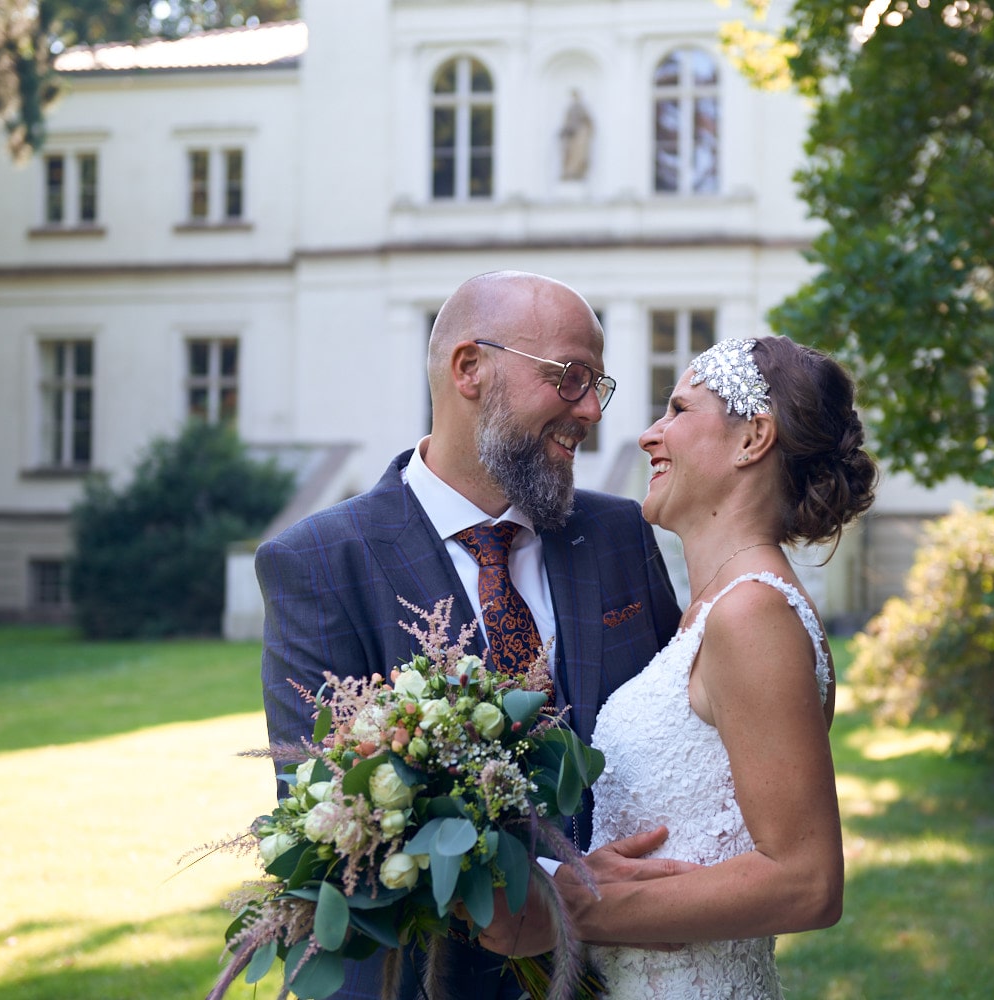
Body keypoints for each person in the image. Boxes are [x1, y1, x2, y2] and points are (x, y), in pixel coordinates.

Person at [255, 270, 684, 1000]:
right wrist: (561, 892)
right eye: (572, 378)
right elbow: (337, 814)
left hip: (634, 969)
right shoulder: (321, 562)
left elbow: (685, 728)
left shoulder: (619, 534)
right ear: (470, 369)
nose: (590, 411)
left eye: (597, 386)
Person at [480, 335, 879, 998]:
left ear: (754, 438)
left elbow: (807, 881)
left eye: (677, 410)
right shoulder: (711, 613)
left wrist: (572, 911)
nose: (647, 435)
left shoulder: (753, 615)